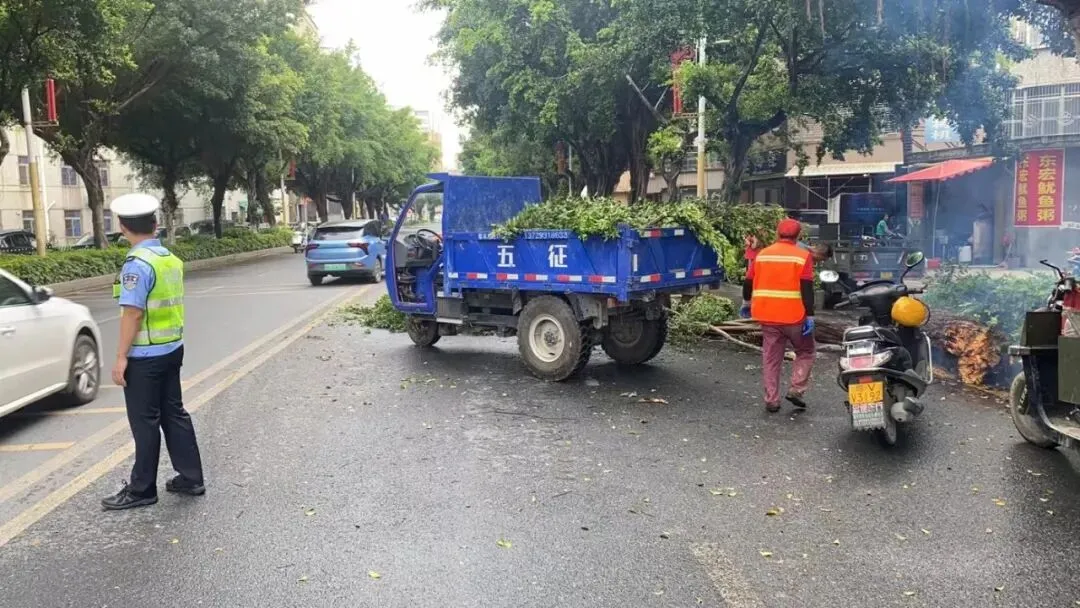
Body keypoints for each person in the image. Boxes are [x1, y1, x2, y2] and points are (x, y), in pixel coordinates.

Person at [102, 194, 205, 510]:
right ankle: (191, 477)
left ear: (122, 227)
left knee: (144, 421)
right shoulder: (169, 259)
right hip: (172, 349)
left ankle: (142, 488)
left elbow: (132, 314)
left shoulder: (138, 264)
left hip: (145, 357)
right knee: (174, 412)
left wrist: (121, 357)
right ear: (156, 224)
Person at [739, 218, 816, 413]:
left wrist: (747, 302)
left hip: (768, 315)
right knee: (805, 352)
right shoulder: (802, 256)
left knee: (771, 358)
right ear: (798, 236)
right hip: (795, 317)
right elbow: (807, 288)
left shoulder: (762, 255)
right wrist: (810, 315)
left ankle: (771, 400)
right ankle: (796, 389)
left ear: (777, 233)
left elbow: (748, 282)